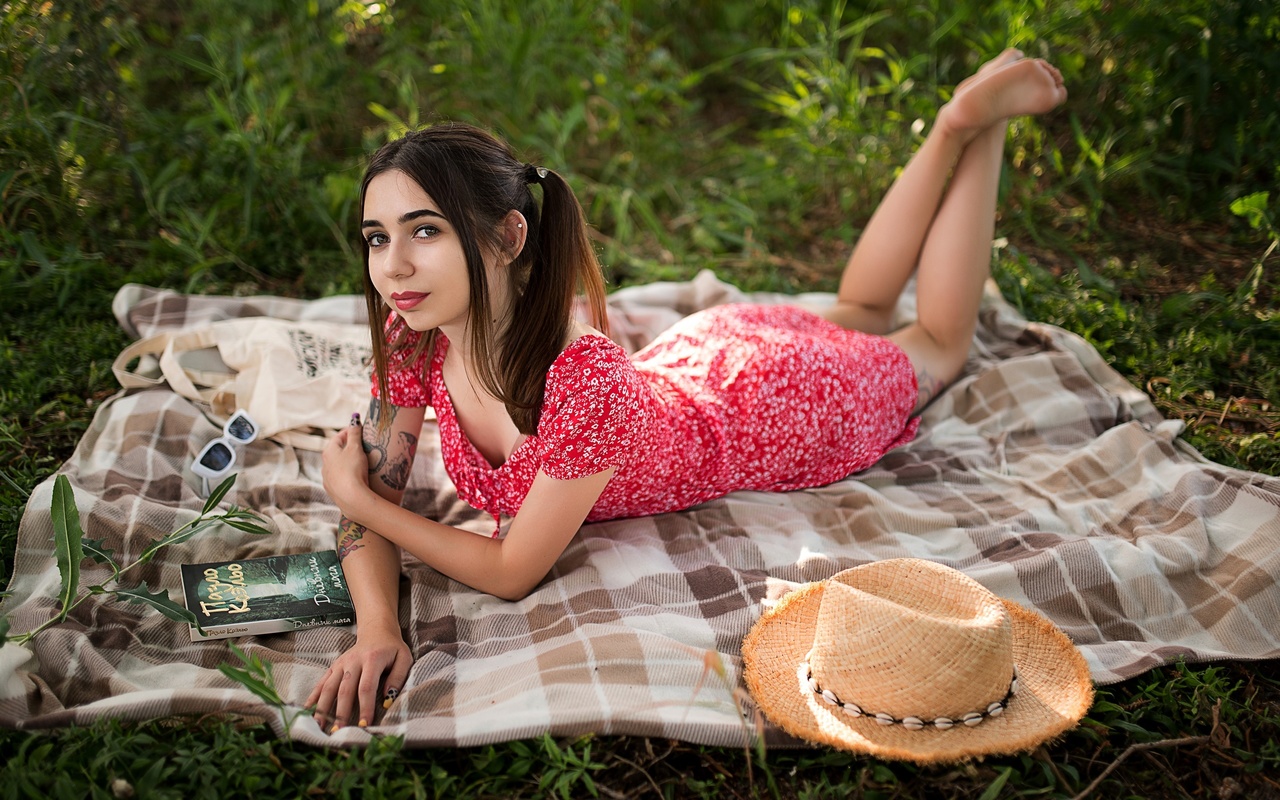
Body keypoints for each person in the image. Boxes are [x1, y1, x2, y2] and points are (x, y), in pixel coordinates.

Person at [306, 49, 1068, 730]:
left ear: (507, 239)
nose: (393, 267)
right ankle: (948, 130)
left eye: (425, 231)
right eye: (378, 237)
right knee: (860, 312)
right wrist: (379, 627)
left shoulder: (585, 379)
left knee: (936, 340)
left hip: (781, 406)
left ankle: (974, 124)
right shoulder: (416, 337)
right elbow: (375, 485)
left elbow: (509, 572)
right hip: (703, 358)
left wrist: (363, 502)